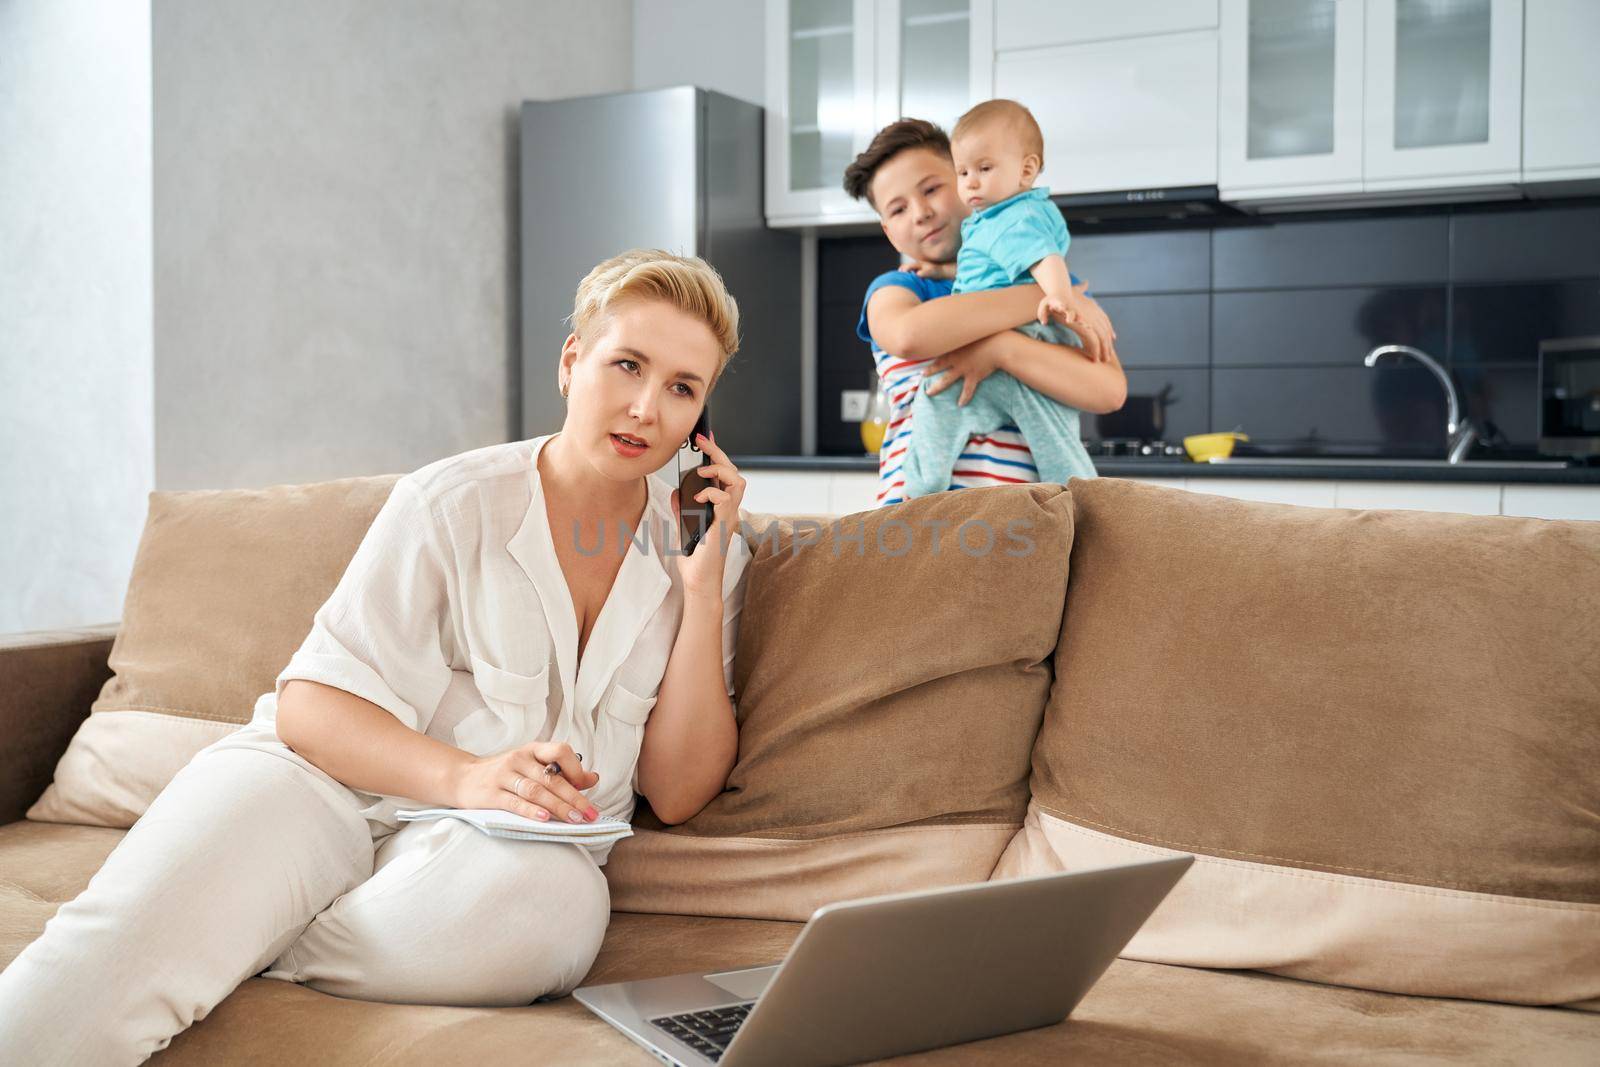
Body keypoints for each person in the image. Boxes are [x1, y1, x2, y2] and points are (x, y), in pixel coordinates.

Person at [0, 248, 753, 1065]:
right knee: (92, 974)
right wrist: (466, 776)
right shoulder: (450, 500)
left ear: (702, 417)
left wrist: (701, 588)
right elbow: (310, 708)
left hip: (505, 857)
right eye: (627, 365)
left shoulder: (703, 549)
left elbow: (676, 792)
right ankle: (194, 932)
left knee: (556, 914)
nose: (647, 407)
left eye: (682, 387)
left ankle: (243, 944)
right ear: (573, 362)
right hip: (319, 787)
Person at [843, 117, 1127, 507]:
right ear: (888, 231)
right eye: (898, 209)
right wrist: (1047, 296)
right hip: (920, 525)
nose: (921, 212)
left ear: (968, 183)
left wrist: (1000, 351)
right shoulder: (900, 288)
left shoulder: (1050, 283)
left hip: (1030, 522)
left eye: (932, 188)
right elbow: (908, 335)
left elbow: (1109, 390)